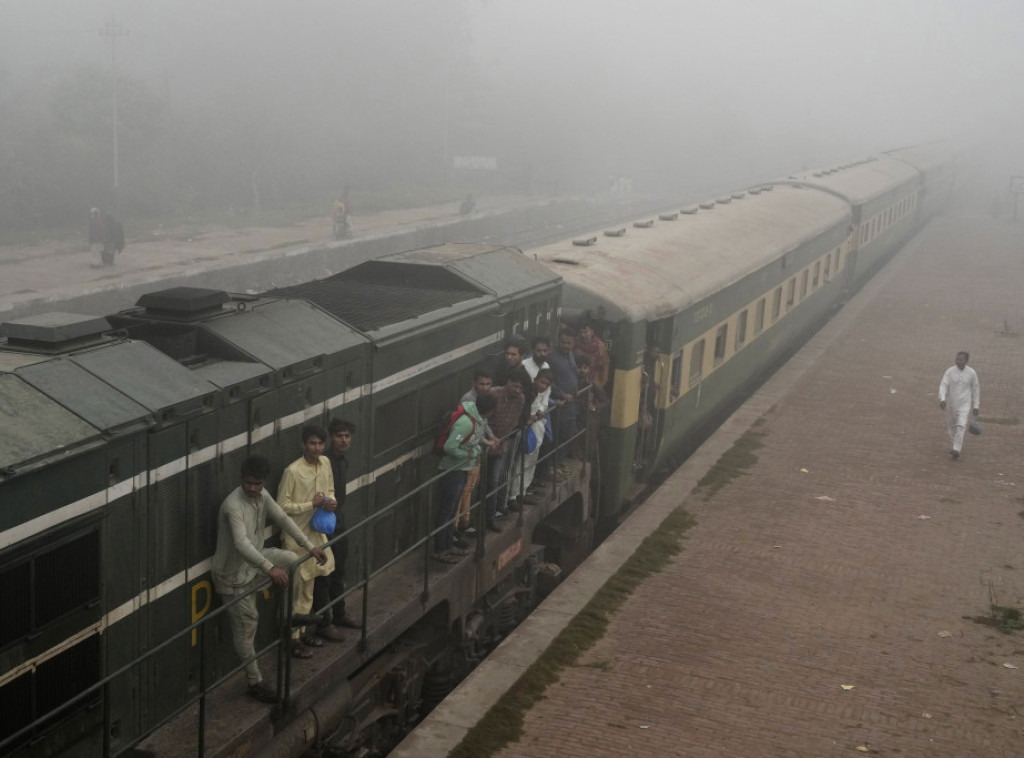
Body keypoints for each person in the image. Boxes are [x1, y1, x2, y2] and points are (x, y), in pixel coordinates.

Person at [211, 455, 327, 703]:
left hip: (255, 562)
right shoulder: (233, 506)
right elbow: (241, 544)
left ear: (264, 482)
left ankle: (287, 617)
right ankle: (255, 682)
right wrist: (269, 568)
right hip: (233, 575)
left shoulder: (262, 496)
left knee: (292, 560)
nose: (253, 488)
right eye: (248, 483)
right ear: (241, 479)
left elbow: (283, 519)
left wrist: (310, 547)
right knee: (247, 627)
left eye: (258, 483)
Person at [277, 425, 337, 657]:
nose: (317, 448)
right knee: (297, 590)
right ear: (303, 444)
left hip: (316, 535)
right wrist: (310, 505)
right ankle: (292, 640)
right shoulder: (292, 471)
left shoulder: (326, 463)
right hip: (295, 538)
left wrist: (331, 502)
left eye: (320, 443)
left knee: (308, 589)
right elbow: (281, 507)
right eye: (312, 443)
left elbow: (330, 489)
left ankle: (301, 633)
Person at [312, 418, 362, 641]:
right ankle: (324, 622)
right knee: (324, 573)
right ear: (331, 438)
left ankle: (339, 614)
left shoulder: (342, 461)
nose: (343, 440)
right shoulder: (325, 463)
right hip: (324, 525)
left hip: (338, 522)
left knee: (339, 568)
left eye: (347, 436)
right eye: (339, 436)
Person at [435, 394, 496, 563]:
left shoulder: (476, 420)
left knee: (452, 510)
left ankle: (448, 545)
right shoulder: (467, 423)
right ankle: (440, 549)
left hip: (461, 469)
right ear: (489, 411)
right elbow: (450, 447)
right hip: (452, 470)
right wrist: (470, 453)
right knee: (446, 510)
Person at [458, 368, 500, 543]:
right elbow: (471, 428)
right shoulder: (468, 400)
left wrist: (491, 436)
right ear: (474, 383)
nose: (485, 387)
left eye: (488, 384)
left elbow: (483, 423)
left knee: (472, 487)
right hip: (469, 451)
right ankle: (461, 524)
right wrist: (487, 441)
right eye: (481, 384)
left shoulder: (486, 399)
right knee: (466, 489)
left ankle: (466, 520)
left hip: (477, 451)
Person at [485, 371, 527, 529]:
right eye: (515, 386)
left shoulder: (521, 400)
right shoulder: (493, 394)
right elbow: (482, 420)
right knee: (475, 485)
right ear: (508, 382)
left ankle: (491, 517)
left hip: (501, 445)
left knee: (495, 480)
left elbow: (514, 421)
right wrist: (491, 438)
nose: (517, 390)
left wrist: (503, 439)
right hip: (483, 445)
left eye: (520, 388)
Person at [939, 351, 980, 460]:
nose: (958, 361)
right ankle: (954, 444)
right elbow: (943, 385)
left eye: (961, 359)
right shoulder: (950, 371)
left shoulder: (972, 373)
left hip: (965, 403)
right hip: (951, 403)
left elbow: (976, 389)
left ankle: (956, 449)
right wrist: (942, 398)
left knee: (961, 424)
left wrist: (976, 405)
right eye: (957, 359)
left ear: (966, 361)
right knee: (952, 426)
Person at [548, 328, 580, 456]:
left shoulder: (570, 354)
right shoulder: (551, 358)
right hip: (560, 404)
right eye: (563, 342)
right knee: (559, 435)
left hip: (572, 403)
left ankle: (561, 461)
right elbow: (548, 381)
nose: (566, 346)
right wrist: (562, 394)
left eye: (569, 343)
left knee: (569, 434)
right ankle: (554, 463)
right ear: (558, 341)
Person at [572, 323, 610, 389]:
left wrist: (600, 385)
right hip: (576, 382)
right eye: (581, 332)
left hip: (595, 383)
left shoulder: (600, 346)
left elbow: (605, 365)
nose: (583, 335)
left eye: (585, 332)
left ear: (592, 332)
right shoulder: (574, 344)